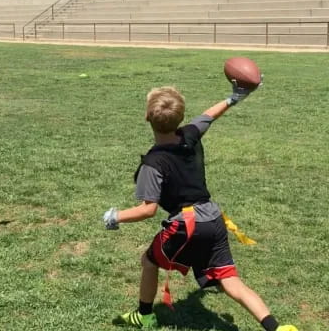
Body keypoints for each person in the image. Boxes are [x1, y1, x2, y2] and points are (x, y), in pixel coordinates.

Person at [102, 82, 298, 331]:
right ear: (182, 117)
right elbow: (209, 115)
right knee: (230, 280)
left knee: (149, 261)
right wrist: (234, 98)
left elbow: (147, 209)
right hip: (213, 218)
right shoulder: (191, 134)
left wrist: (115, 216)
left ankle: (145, 315)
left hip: (187, 225)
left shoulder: (153, 163)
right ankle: (277, 328)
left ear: (147, 117)